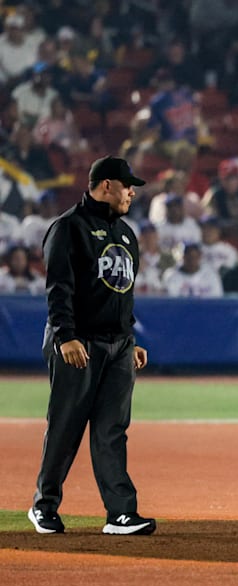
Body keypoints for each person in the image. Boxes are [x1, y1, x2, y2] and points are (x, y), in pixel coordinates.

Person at [30, 155, 156, 535]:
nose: (132, 192)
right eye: (126, 185)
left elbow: (122, 293)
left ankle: (120, 513)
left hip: (117, 346)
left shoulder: (125, 234)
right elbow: (59, 288)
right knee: (66, 425)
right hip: (78, 342)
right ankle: (44, 504)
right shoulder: (68, 228)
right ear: (105, 186)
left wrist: (130, 339)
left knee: (112, 429)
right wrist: (65, 336)